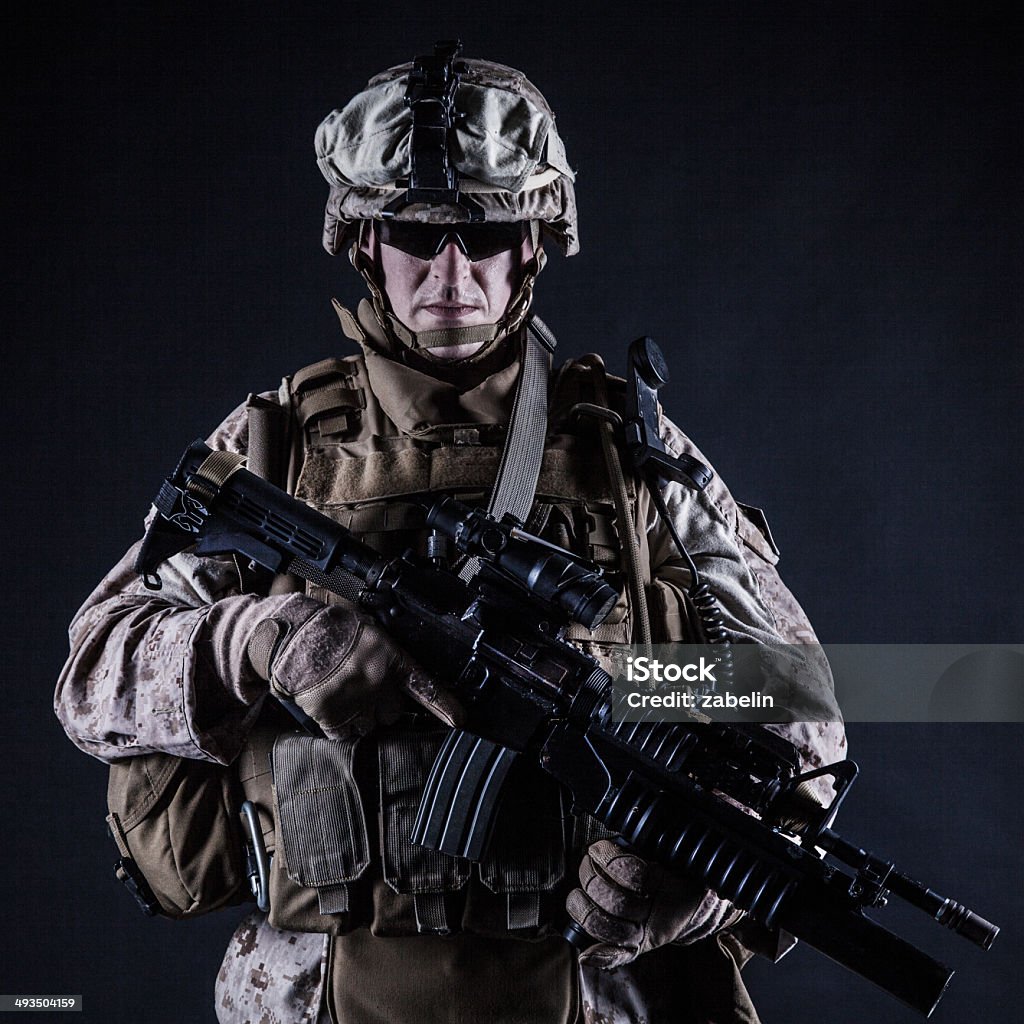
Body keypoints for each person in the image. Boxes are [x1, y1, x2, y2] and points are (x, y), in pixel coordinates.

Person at [55, 43, 845, 1024]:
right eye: (415, 238)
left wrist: (702, 873)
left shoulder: (629, 451)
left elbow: (797, 702)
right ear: (362, 242)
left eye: (486, 236)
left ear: (535, 241)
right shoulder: (274, 445)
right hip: (314, 994)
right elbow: (91, 676)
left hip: (601, 995)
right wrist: (254, 640)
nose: (451, 276)